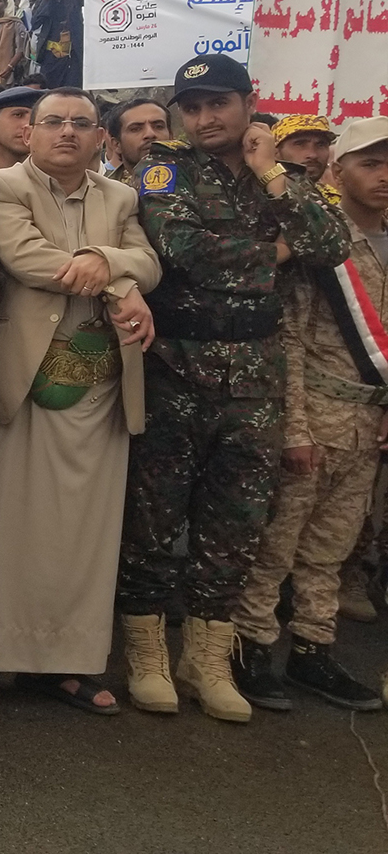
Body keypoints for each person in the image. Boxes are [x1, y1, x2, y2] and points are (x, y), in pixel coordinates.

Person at [120, 53, 347, 722]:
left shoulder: (276, 174)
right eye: (192, 107)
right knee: (156, 520)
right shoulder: (164, 169)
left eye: (218, 102)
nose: (204, 117)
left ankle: (208, 658)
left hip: (255, 377)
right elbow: (188, 253)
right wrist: (278, 249)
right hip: (178, 369)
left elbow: (331, 242)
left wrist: (273, 173)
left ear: (249, 105)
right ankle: (146, 654)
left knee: (234, 527)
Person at [0, 87, 161, 716]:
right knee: (3, 523)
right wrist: (118, 278)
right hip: (22, 379)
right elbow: (26, 259)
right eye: (53, 122)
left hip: (96, 382)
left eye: (81, 123)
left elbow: (149, 261)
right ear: (28, 132)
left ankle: (68, 664)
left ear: (102, 137)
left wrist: (113, 266)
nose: (67, 132)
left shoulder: (120, 196)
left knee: (83, 530)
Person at [228, 116, 388, 713]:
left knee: (332, 548)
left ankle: (313, 648)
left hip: (367, 419)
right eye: (370, 163)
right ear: (338, 171)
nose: (383, 176)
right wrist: (293, 427)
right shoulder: (322, 242)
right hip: (312, 416)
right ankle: (252, 644)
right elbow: (289, 337)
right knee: (277, 543)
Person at [30, 0, 84, 89]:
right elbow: (35, 24)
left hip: (72, 56)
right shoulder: (43, 0)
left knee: (73, 91)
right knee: (49, 91)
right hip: (50, 56)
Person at [104, 98, 169, 177]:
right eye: (136, 129)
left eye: (158, 127)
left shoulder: (188, 179)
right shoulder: (103, 188)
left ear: (171, 135)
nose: (150, 134)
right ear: (117, 144)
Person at [272, 114, 335, 191]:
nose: (313, 155)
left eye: (321, 145)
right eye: (300, 144)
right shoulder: (260, 195)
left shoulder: (334, 200)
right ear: (275, 152)